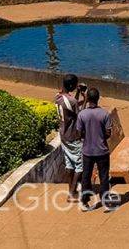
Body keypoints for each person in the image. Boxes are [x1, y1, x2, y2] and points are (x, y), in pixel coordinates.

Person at [76, 87, 113, 211]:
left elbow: (79, 133)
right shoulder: (104, 114)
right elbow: (108, 133)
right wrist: (100, 136)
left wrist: (87, 137)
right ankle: (106, 202)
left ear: (88, 99)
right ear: (98, 98)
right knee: (104, 176)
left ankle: (85, 202)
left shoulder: (82, 114)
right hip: (102, 150)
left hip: (87, 151)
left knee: (86, 177)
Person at [55, 74, 88, 202]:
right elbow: (80, 115)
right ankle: (72, 193)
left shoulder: (58, 97)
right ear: (71, 86)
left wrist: (78, 94)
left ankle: (71, 190)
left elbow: (71, 107)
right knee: (80, 165)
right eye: (75, 86)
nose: (76, 87)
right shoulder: (72, 101)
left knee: (69, 164)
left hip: (63, 136)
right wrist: (85, 98)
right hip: (73, 137)